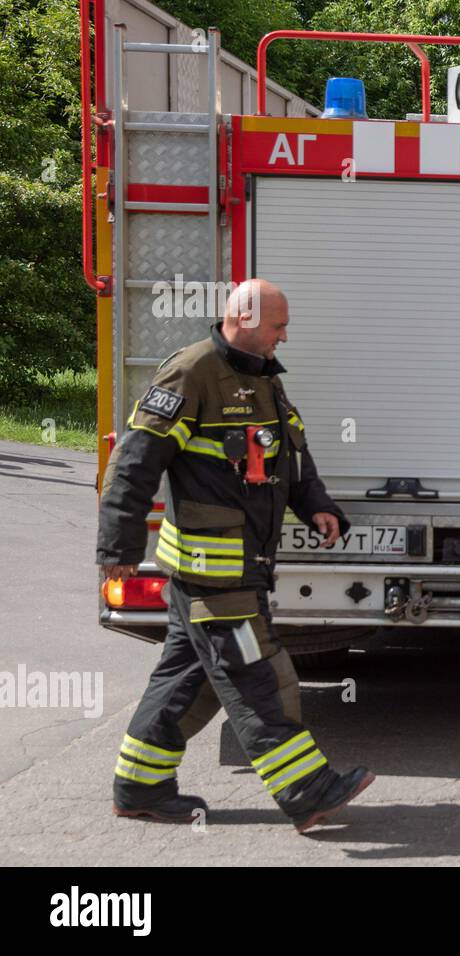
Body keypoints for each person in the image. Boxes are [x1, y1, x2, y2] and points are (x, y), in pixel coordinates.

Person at [97, 279, 375, 833]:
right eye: (278, 326)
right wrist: (118, 546)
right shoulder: (192, 372)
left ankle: (140, 785)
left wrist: (317, 506)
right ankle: (308, 790)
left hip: (237, 567)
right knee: (258, 676)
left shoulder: (262, 377)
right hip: (213, 572)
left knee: (187, 678)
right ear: (244, 319)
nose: (284, 336)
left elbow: (289, 457)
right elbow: (134, 463)